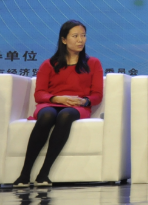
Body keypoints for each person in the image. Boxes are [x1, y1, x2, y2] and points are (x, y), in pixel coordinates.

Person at [13, 20, 103, 187]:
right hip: (51, 103)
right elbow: (39, 94)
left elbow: (97, 95)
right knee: (47, 115)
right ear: (64, 40)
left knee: (65, 115)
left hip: (77, 107)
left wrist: (84, 101)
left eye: (83, 36)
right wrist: (57, 99)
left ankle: (43, 173)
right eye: (75, 36)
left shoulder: (93, 63)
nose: (80, 40)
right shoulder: (49, 64)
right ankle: (24, 174)